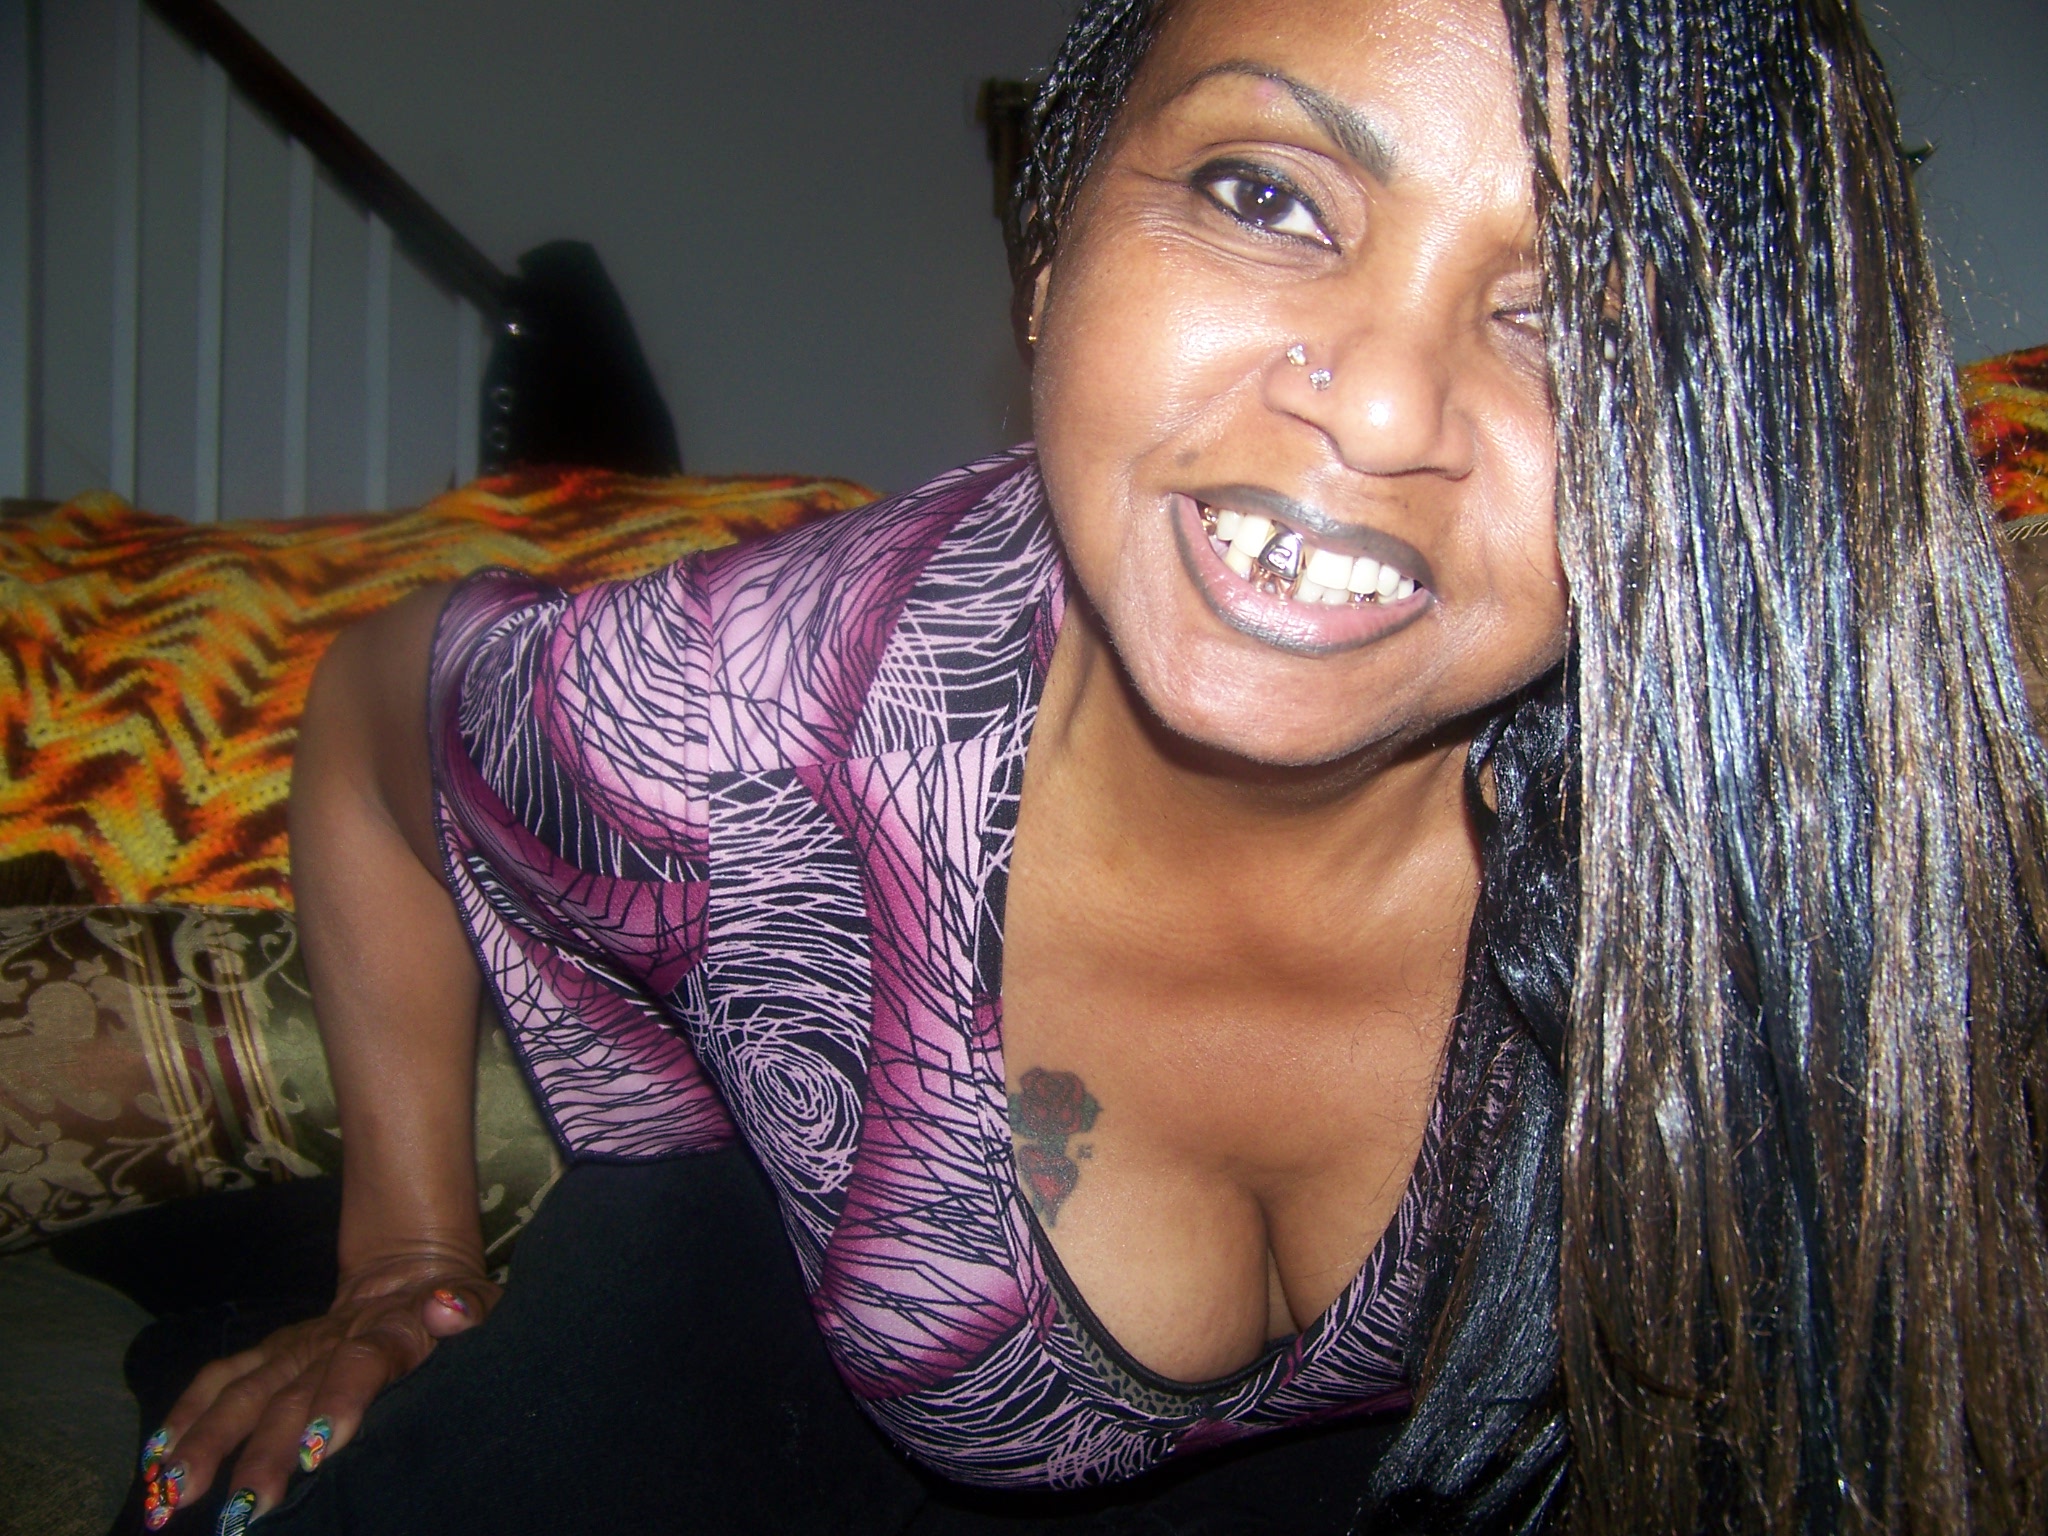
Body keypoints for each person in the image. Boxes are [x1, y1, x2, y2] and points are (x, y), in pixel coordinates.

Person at [135, 0, 2048, 1529]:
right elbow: (378, 710)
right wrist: (398, 1255)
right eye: (1268, 194)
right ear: (1047, 254)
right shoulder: (726, 716)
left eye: (1581, 313)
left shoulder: (1785, 783)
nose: (1387, 407)